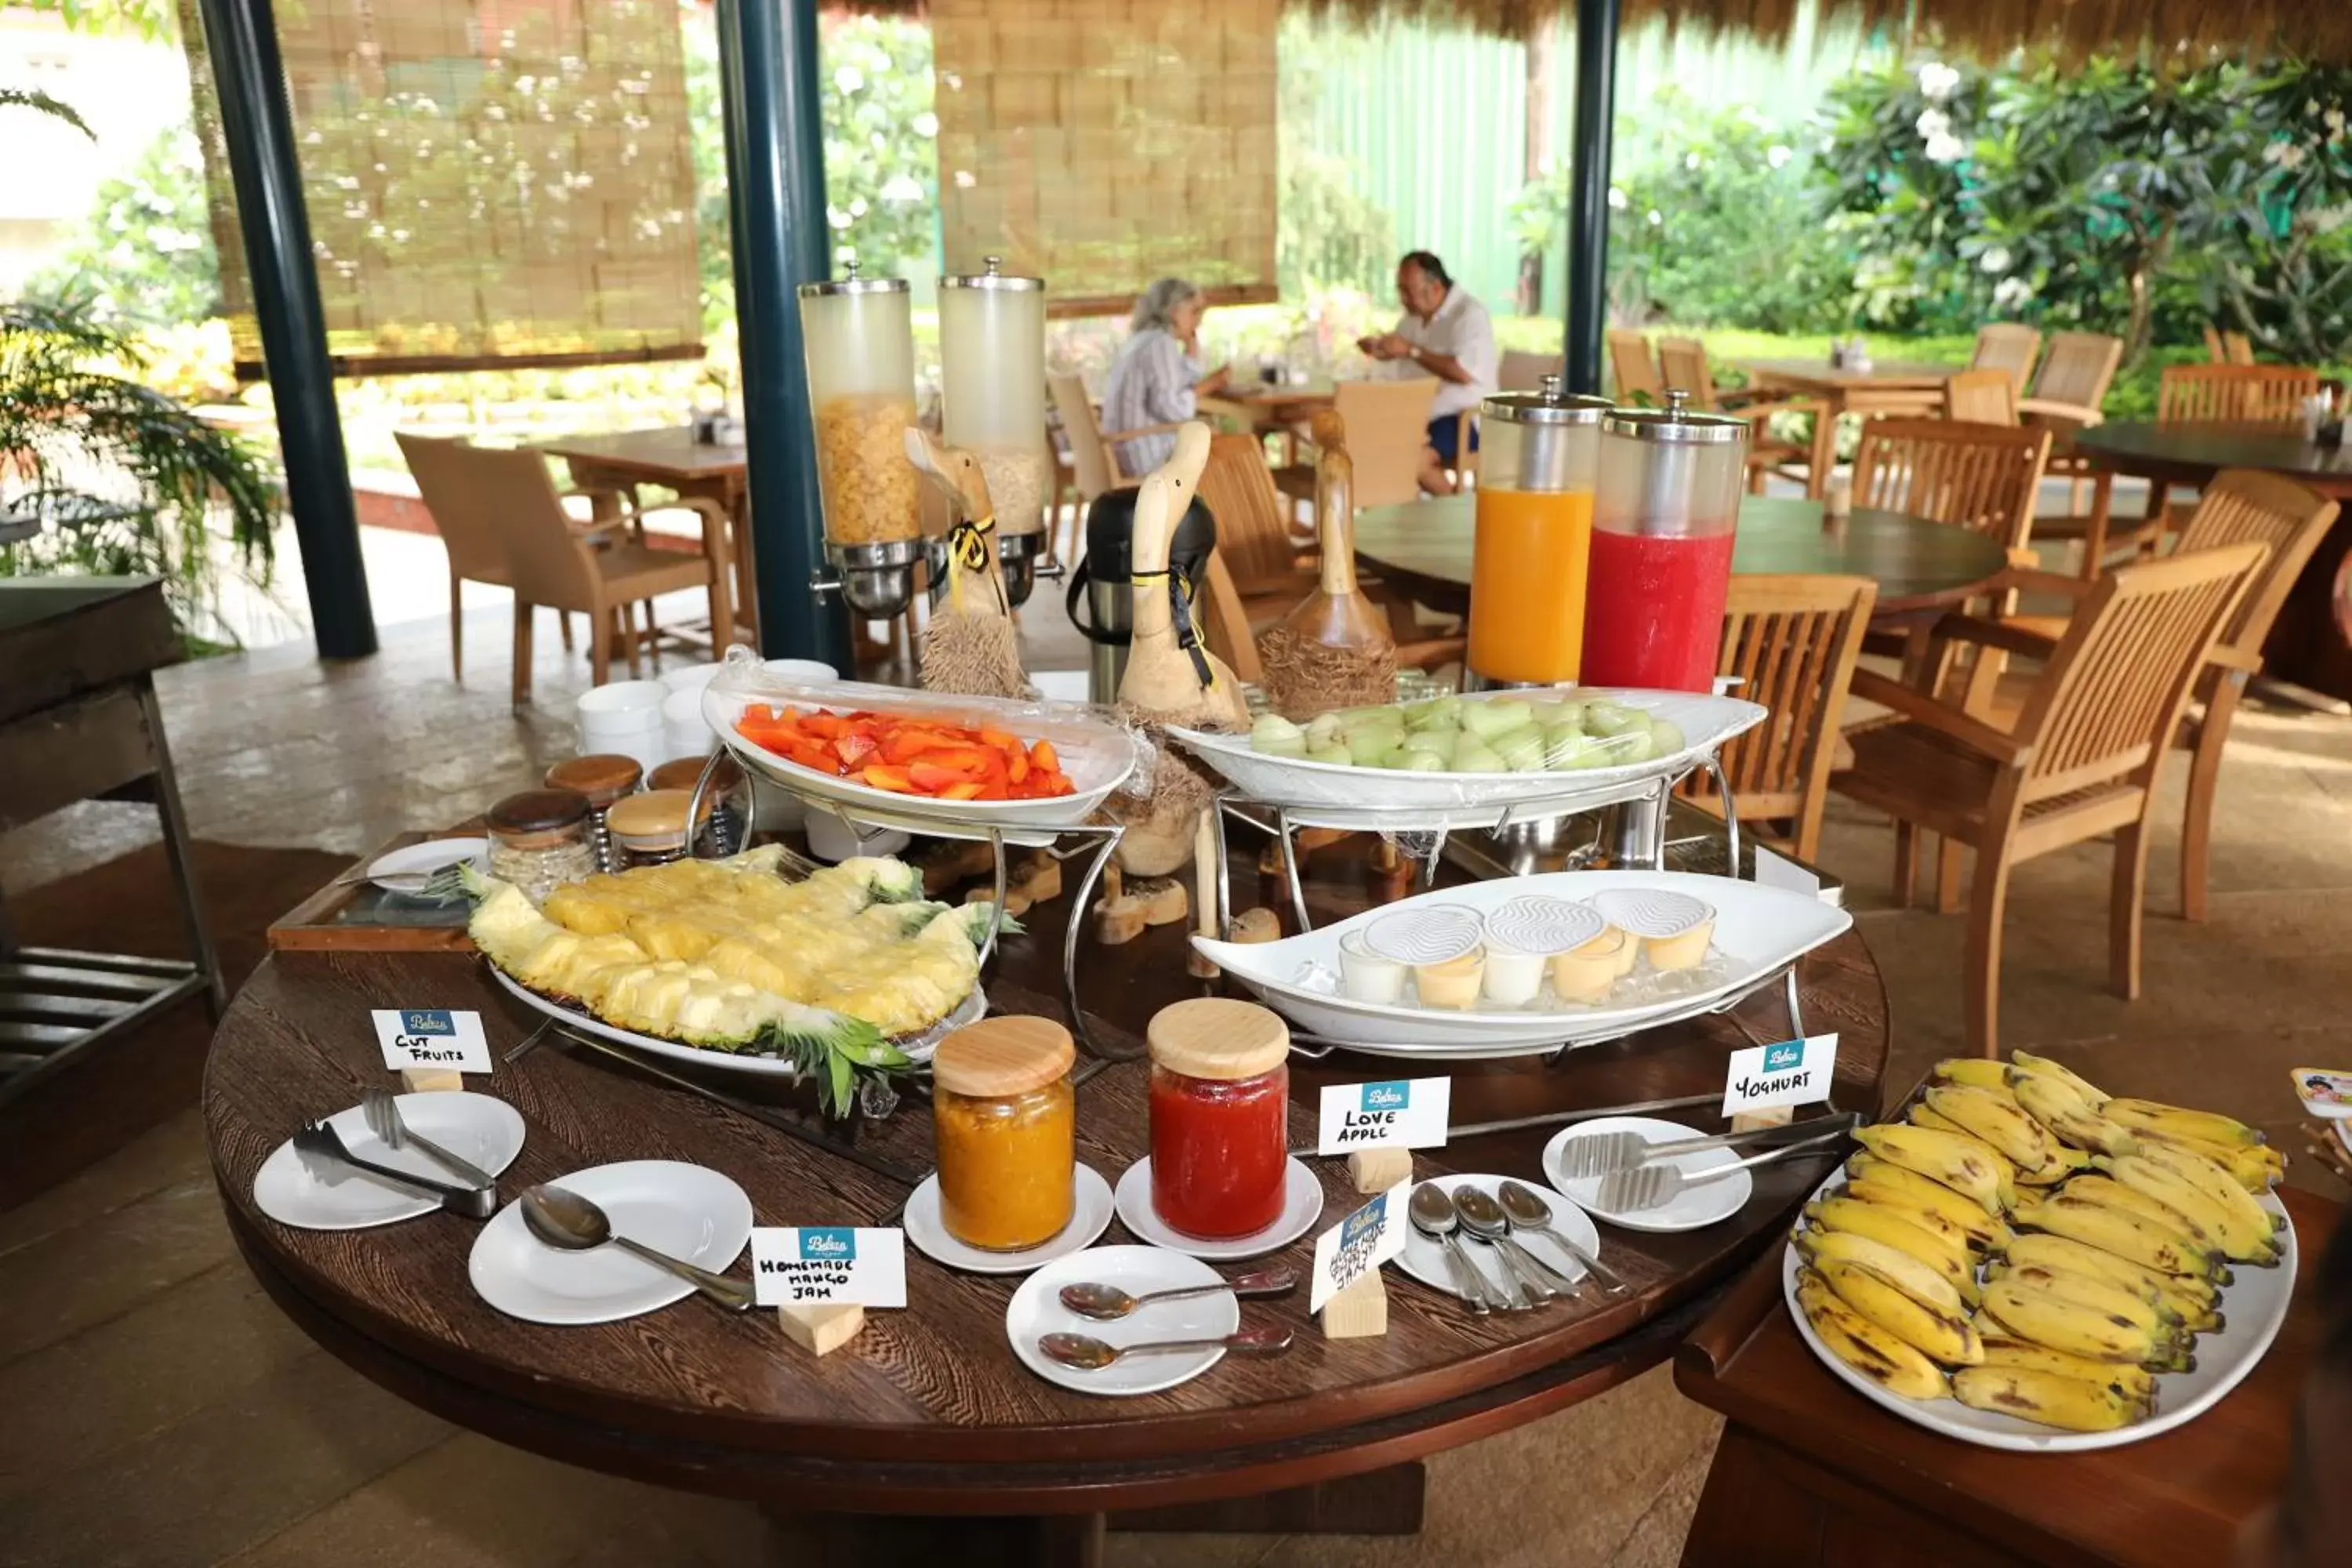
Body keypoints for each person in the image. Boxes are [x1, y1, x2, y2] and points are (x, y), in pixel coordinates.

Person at [1356, 251, 1499, 495]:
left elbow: (1463, 372)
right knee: (1370, 450)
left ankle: (1461, 517)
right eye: (1399, 290)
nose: (1403, 299)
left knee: (1409, 464)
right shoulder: (1413, 319)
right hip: (1417, 414)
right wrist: (1383, 350)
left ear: (1435, 288)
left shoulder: (1469, 315)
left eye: (1408, 291)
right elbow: (1400, 362)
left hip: (1462, 418)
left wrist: (1411, 351)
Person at [1101, 278, 1229, 477]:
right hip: (1144, 454)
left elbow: (1174, 385)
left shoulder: (1141, 340)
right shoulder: (1160, 344)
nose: (1199, 320)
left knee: (1213, 436)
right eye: (1194, 311)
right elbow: (1174, 410)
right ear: (1173, 311)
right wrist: (1209, 386)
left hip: (1123, 448)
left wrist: (1192, 350)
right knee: (1232, 446)